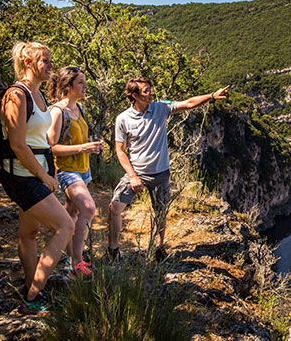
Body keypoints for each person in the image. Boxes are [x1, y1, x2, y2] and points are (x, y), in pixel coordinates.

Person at [107, 77, 229, 262]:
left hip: (161, 173)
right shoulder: (123, 119)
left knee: (160, 212)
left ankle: (159, 248)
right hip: (137, 174)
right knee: (115, 208)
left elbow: (188, 104)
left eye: (150, 89)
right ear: (134, 95)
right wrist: (132, 176)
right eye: (146, 90)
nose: (151, 93)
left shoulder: (160, 107)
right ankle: (113, 250)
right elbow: (120, 150)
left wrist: (212, 95)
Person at [0, 41, 75, 314]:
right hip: (23, 176)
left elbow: (40, 137)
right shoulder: (16, 95)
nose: (51, 65)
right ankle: (32, 297)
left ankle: (30, 284)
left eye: (51, 60)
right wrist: (43, 175)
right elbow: (18, 144)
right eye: (45, 60)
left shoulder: (39, 95)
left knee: (29, 233)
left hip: (37, 172)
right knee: (65, 227)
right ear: (29, 63)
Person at [47, 66, 103, 277]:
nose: (85, 85)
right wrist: (83, 148)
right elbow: (52, 147)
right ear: (68, 86)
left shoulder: (79, 108)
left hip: (83, 169)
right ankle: (78, 263)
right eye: (80, 82)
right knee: (88, 208)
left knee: (72, 213)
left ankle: (64, 255)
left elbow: (79, 140)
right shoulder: (57, 111)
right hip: (66, 171)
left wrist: (93, 146)